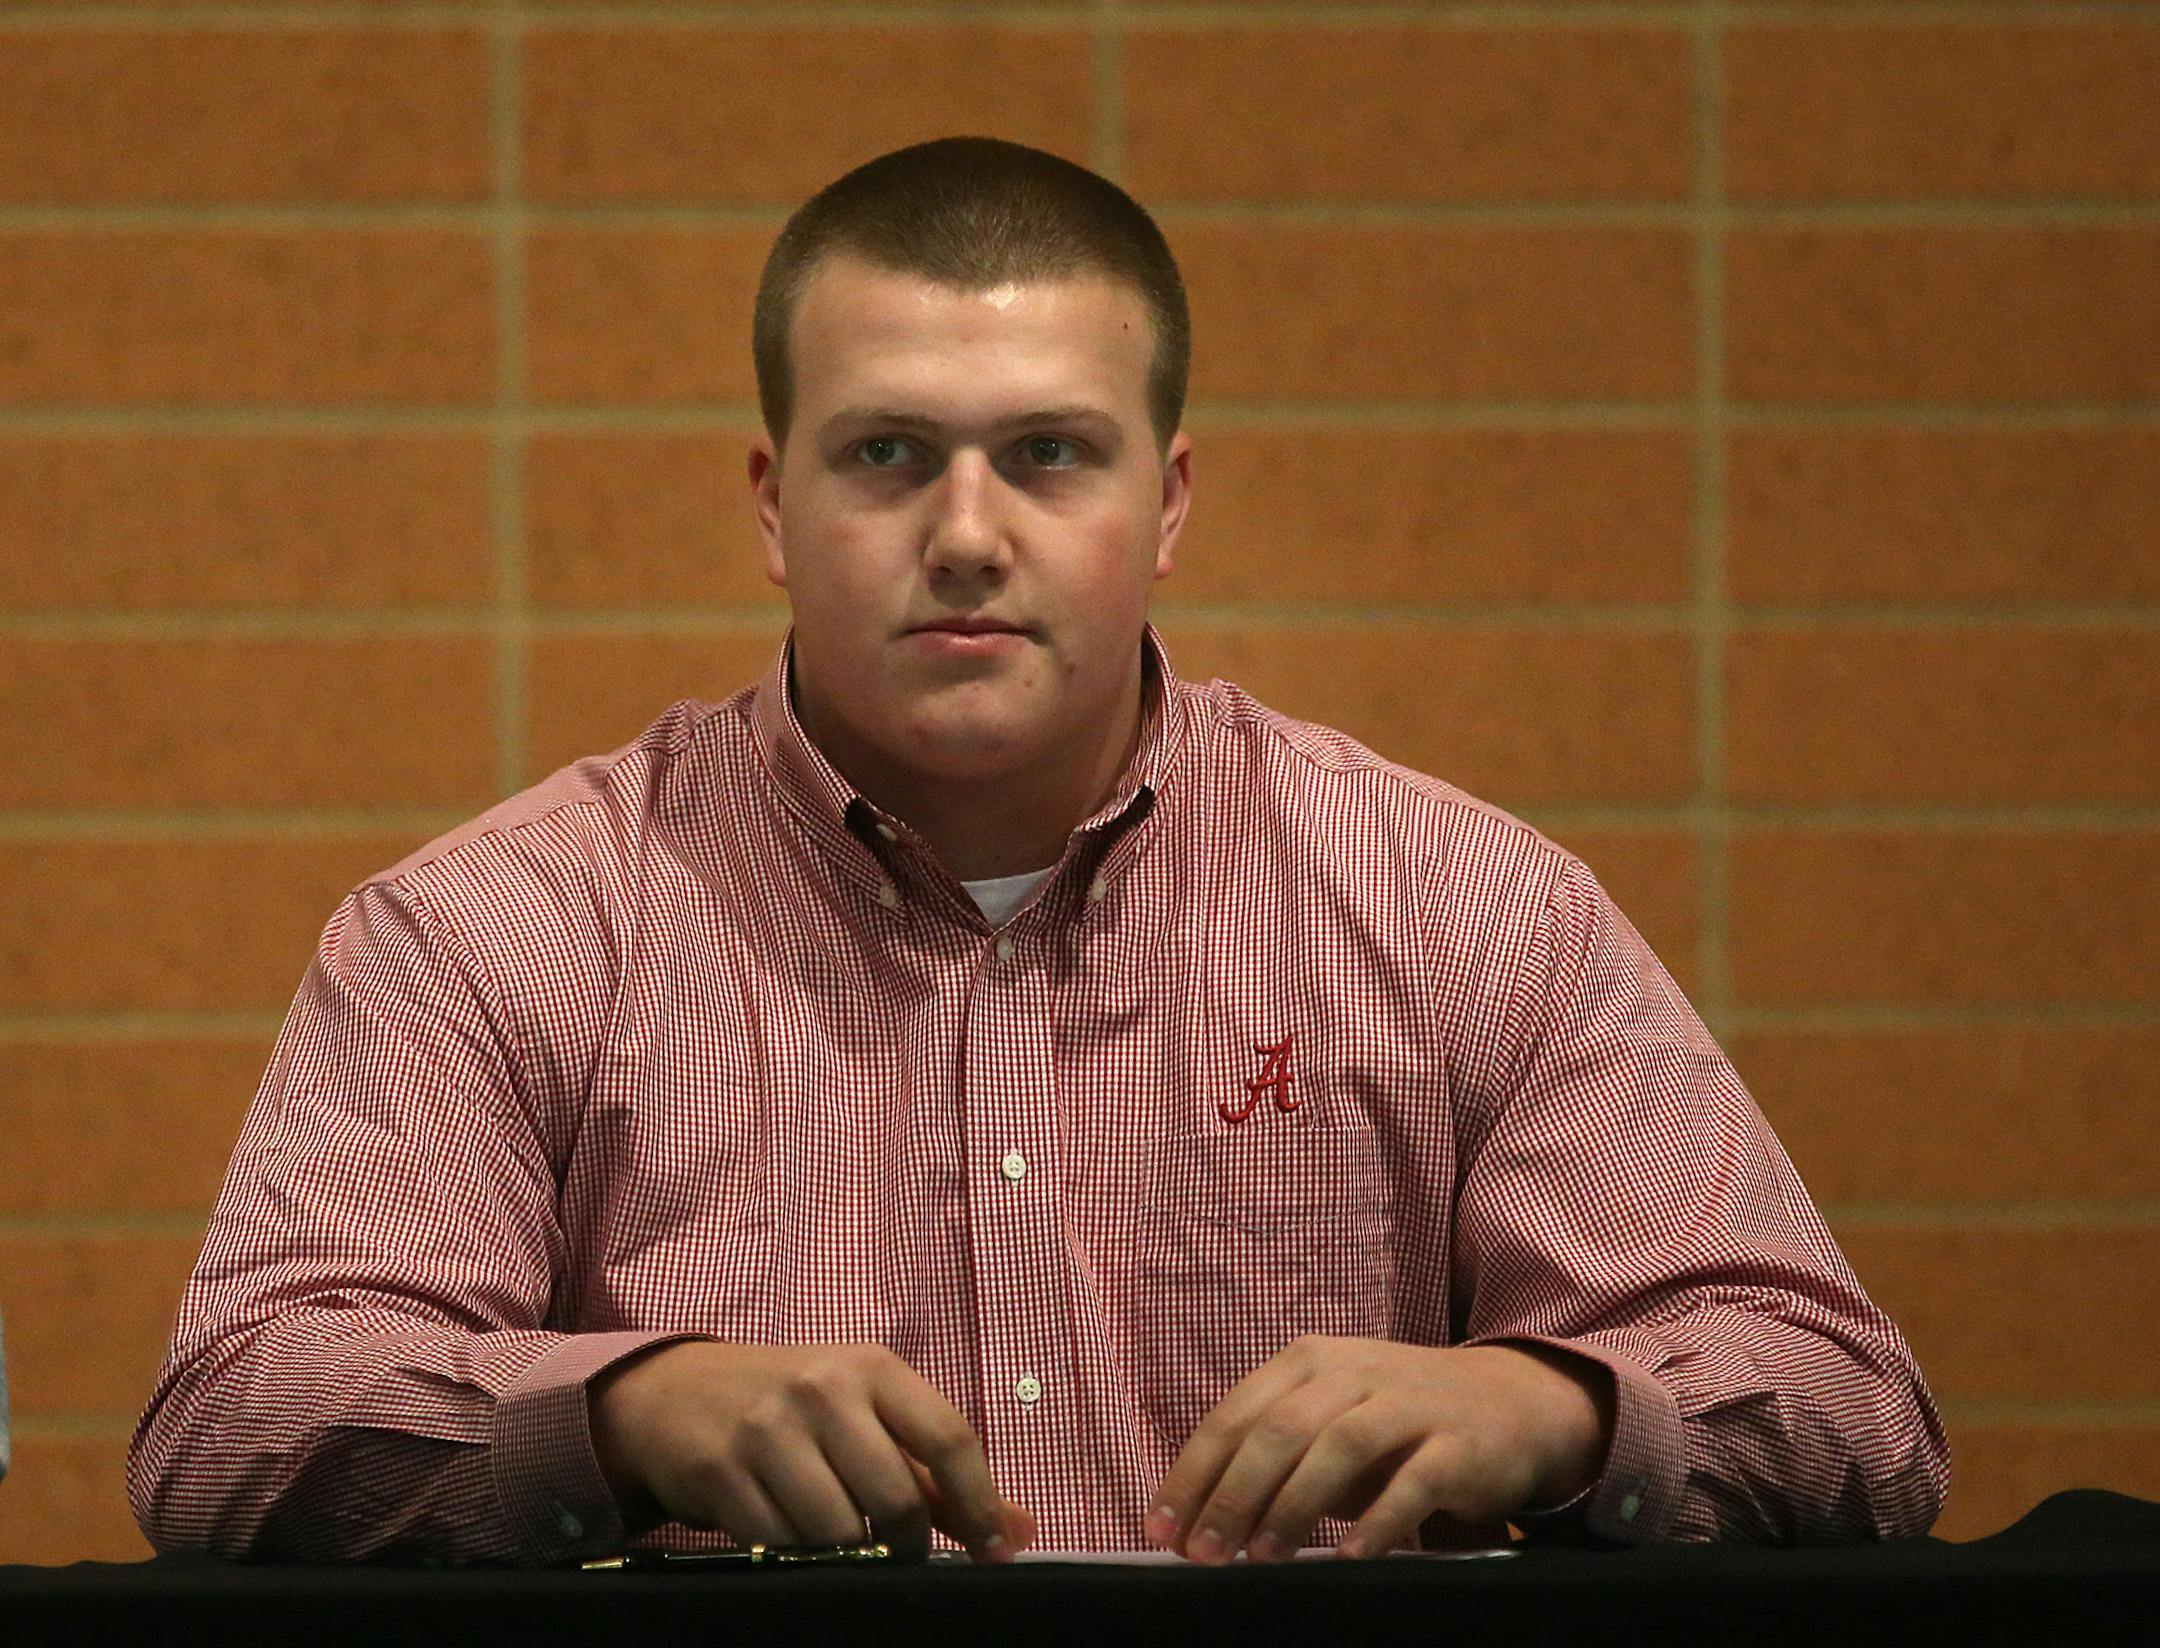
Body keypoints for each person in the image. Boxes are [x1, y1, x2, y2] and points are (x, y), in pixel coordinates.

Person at [128, 137, 1947, 1567]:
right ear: (773, 503)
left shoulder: (1461, 907)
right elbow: (231, 1419)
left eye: (1052, 453)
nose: (968, 534)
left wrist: (1550, 1410)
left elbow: (1848, 1406)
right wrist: (624, 1413)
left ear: (1169, 502)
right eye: (887, 453)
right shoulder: (497, 928)